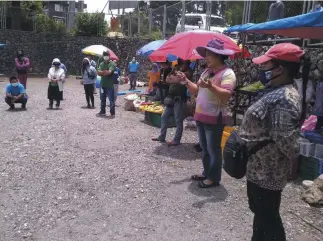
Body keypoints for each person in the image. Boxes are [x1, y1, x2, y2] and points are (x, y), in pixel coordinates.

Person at [238, 43, 305, 241]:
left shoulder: (283, 98)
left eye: (265, 66)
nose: (262, 70)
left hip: (268, 170)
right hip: (260, 167)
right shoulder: (276, 91)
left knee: (268, 217)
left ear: (279, 69)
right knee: (262, 214)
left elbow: (287, 141)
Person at [179, 39, 237, 188]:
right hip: (201, 116)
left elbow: (226, 95)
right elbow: (197, 91)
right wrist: (186, 81)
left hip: (214, 118)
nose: (206, 57)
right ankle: (206, 172)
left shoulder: (227, 73)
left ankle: (213, 178)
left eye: (209, 54)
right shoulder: (207, 71)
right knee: (205, 148)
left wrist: (211, 87)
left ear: (219, 55)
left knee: (213, 149)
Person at [152, 59, 191, 146]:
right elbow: (167, 79)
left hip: (180, 98)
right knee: (164, 117)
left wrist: (174, 79)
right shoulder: (176, 68)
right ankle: (162, 136)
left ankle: (176, 140)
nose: (179, 61)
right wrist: (174, 79)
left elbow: (177, 80)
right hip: (171, 97)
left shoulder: (188, 71)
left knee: (178, 120)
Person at [97, 51, 116, 117]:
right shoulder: (101, 64)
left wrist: (103, 72)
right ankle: (102, 111)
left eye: (106, 55)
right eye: (104, 55)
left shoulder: (112, 63)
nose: (105, 56)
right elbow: (98, 72)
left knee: (111, 100)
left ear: (109, 56)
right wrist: (105, 72)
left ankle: (112, 113)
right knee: (102, 99)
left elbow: (109, 72)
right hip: (102, 85)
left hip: (109, 85)